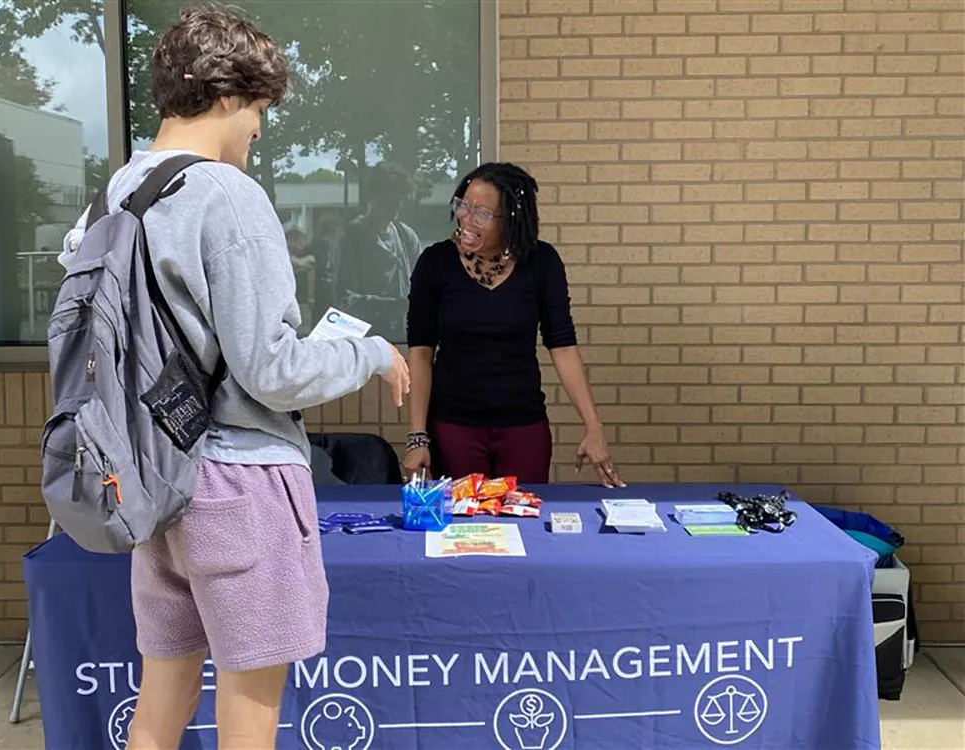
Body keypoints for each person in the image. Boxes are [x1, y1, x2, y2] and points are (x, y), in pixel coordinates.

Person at [58, 9, 409, 749]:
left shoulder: (113, 198)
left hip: (155, 481)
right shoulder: (226, 195)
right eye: (259, 109)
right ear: (226, 96)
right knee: (248, 719)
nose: (258, 129)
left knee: (159, 707)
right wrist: (372, 353)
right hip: (240, 486)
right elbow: (271, 370)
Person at [403, 162, 624, 488]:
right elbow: (421, 352)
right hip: (454, 426)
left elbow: (562, 345)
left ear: (511, 220)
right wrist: (417, 437)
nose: (466, 218)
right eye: (463, 205)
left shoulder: (542, 263)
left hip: (523, 426)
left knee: (524, 522)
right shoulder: (435, 263)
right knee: (464, 528)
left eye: (482, 213)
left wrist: (593, 426)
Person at [327, 161, 423, 340]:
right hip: (364, 345)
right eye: (391, 197)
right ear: (371, 196)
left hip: (403, 341)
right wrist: (388, 306)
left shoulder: (406, 236)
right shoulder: (349, 238)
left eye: (401, 198)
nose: (398, 204)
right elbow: (343, 299)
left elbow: (424, 284)